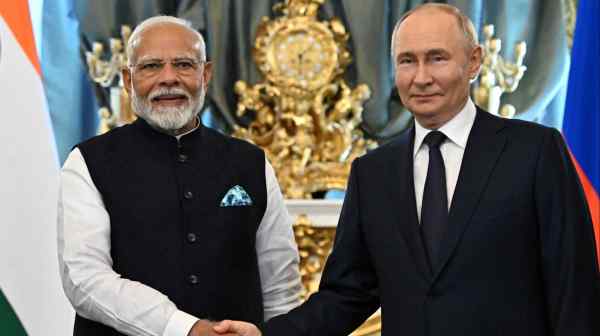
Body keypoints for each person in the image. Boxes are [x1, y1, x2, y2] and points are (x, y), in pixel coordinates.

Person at [214, 3, 600, 336]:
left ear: (474, 61)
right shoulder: (372, 173)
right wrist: (266, 333)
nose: (421, 77)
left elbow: (573, 287)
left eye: (437, 58)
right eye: (407, 61)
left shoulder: (534, 150)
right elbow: (348, 294)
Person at [58, 16, 302, 336]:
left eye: (184, 64)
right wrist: (185, 328)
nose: (168, 78)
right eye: (151, 66)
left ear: (206, 74)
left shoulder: (250, 162)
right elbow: (85, 278)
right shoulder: (88, 161)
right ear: (128, 80)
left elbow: (280, 285)